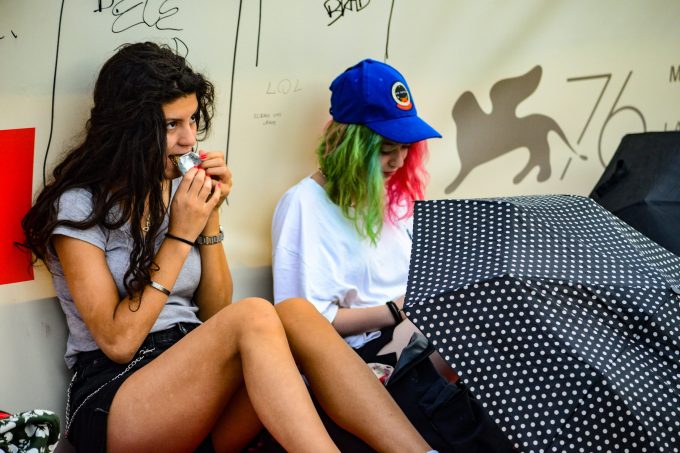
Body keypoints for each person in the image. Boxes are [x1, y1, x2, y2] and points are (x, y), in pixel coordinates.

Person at [20, 43, 436, 453]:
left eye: (192, 120)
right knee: (254, 313)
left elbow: (215, 314)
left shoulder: (178, 190)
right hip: (117, 398)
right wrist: (180, 236)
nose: (188, 139)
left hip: (198, 384)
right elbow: (117, 342)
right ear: (128, 128)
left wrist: (210, 217)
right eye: (171, 125)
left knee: (296, 314)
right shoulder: (78, 205)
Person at [272, 58, 454, 375]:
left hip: (417, 329)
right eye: (386, 148)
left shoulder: (394, 195)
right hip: (360, 357)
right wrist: (397, 310)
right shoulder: (303, 205)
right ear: (349, 145)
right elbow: (306, 323)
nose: (399, 161)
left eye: (406, 147)